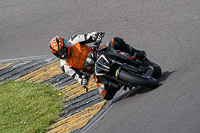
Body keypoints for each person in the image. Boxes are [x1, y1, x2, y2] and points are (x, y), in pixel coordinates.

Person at [49, 32, 146, 100]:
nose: (62, 53)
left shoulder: (74, 40)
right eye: (59, 53)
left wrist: (96, 36)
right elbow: (77, 76)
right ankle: (119, 82)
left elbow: (89, 36)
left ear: (66, 44)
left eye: (62, 50)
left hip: (98, 52)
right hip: (93, 70)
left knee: (116, 41)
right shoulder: (64, 65)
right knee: (106, 95)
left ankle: (136, 53)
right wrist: (83, 80)